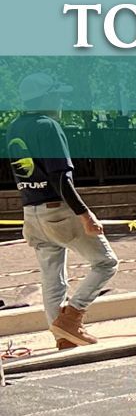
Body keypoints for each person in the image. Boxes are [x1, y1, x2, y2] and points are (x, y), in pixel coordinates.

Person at [5, 72, 116, 349]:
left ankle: (63, 337)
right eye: (58, 95)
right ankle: (73, 317)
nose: (62, 100)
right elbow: (61, 178)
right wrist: (85, 214)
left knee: (51, 277)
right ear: (47, 98)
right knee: (106, 263)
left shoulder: (14, 128)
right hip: (58, 211)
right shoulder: (49, 127)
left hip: (31, 211)